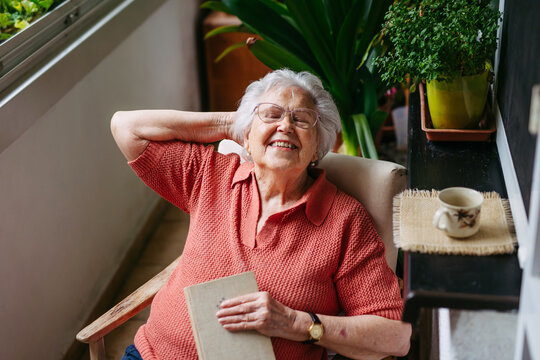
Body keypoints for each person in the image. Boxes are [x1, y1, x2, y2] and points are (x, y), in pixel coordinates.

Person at [111, 69, 411, 360]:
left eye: (301, 119)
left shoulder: (344, 220)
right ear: (245, 137)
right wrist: (237, 123)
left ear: (318, 147)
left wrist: (297, 323)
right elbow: (126, 127)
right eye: (272, 114)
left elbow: (394, 337)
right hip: (152, 354)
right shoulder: (211, 174)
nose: (285, 126)